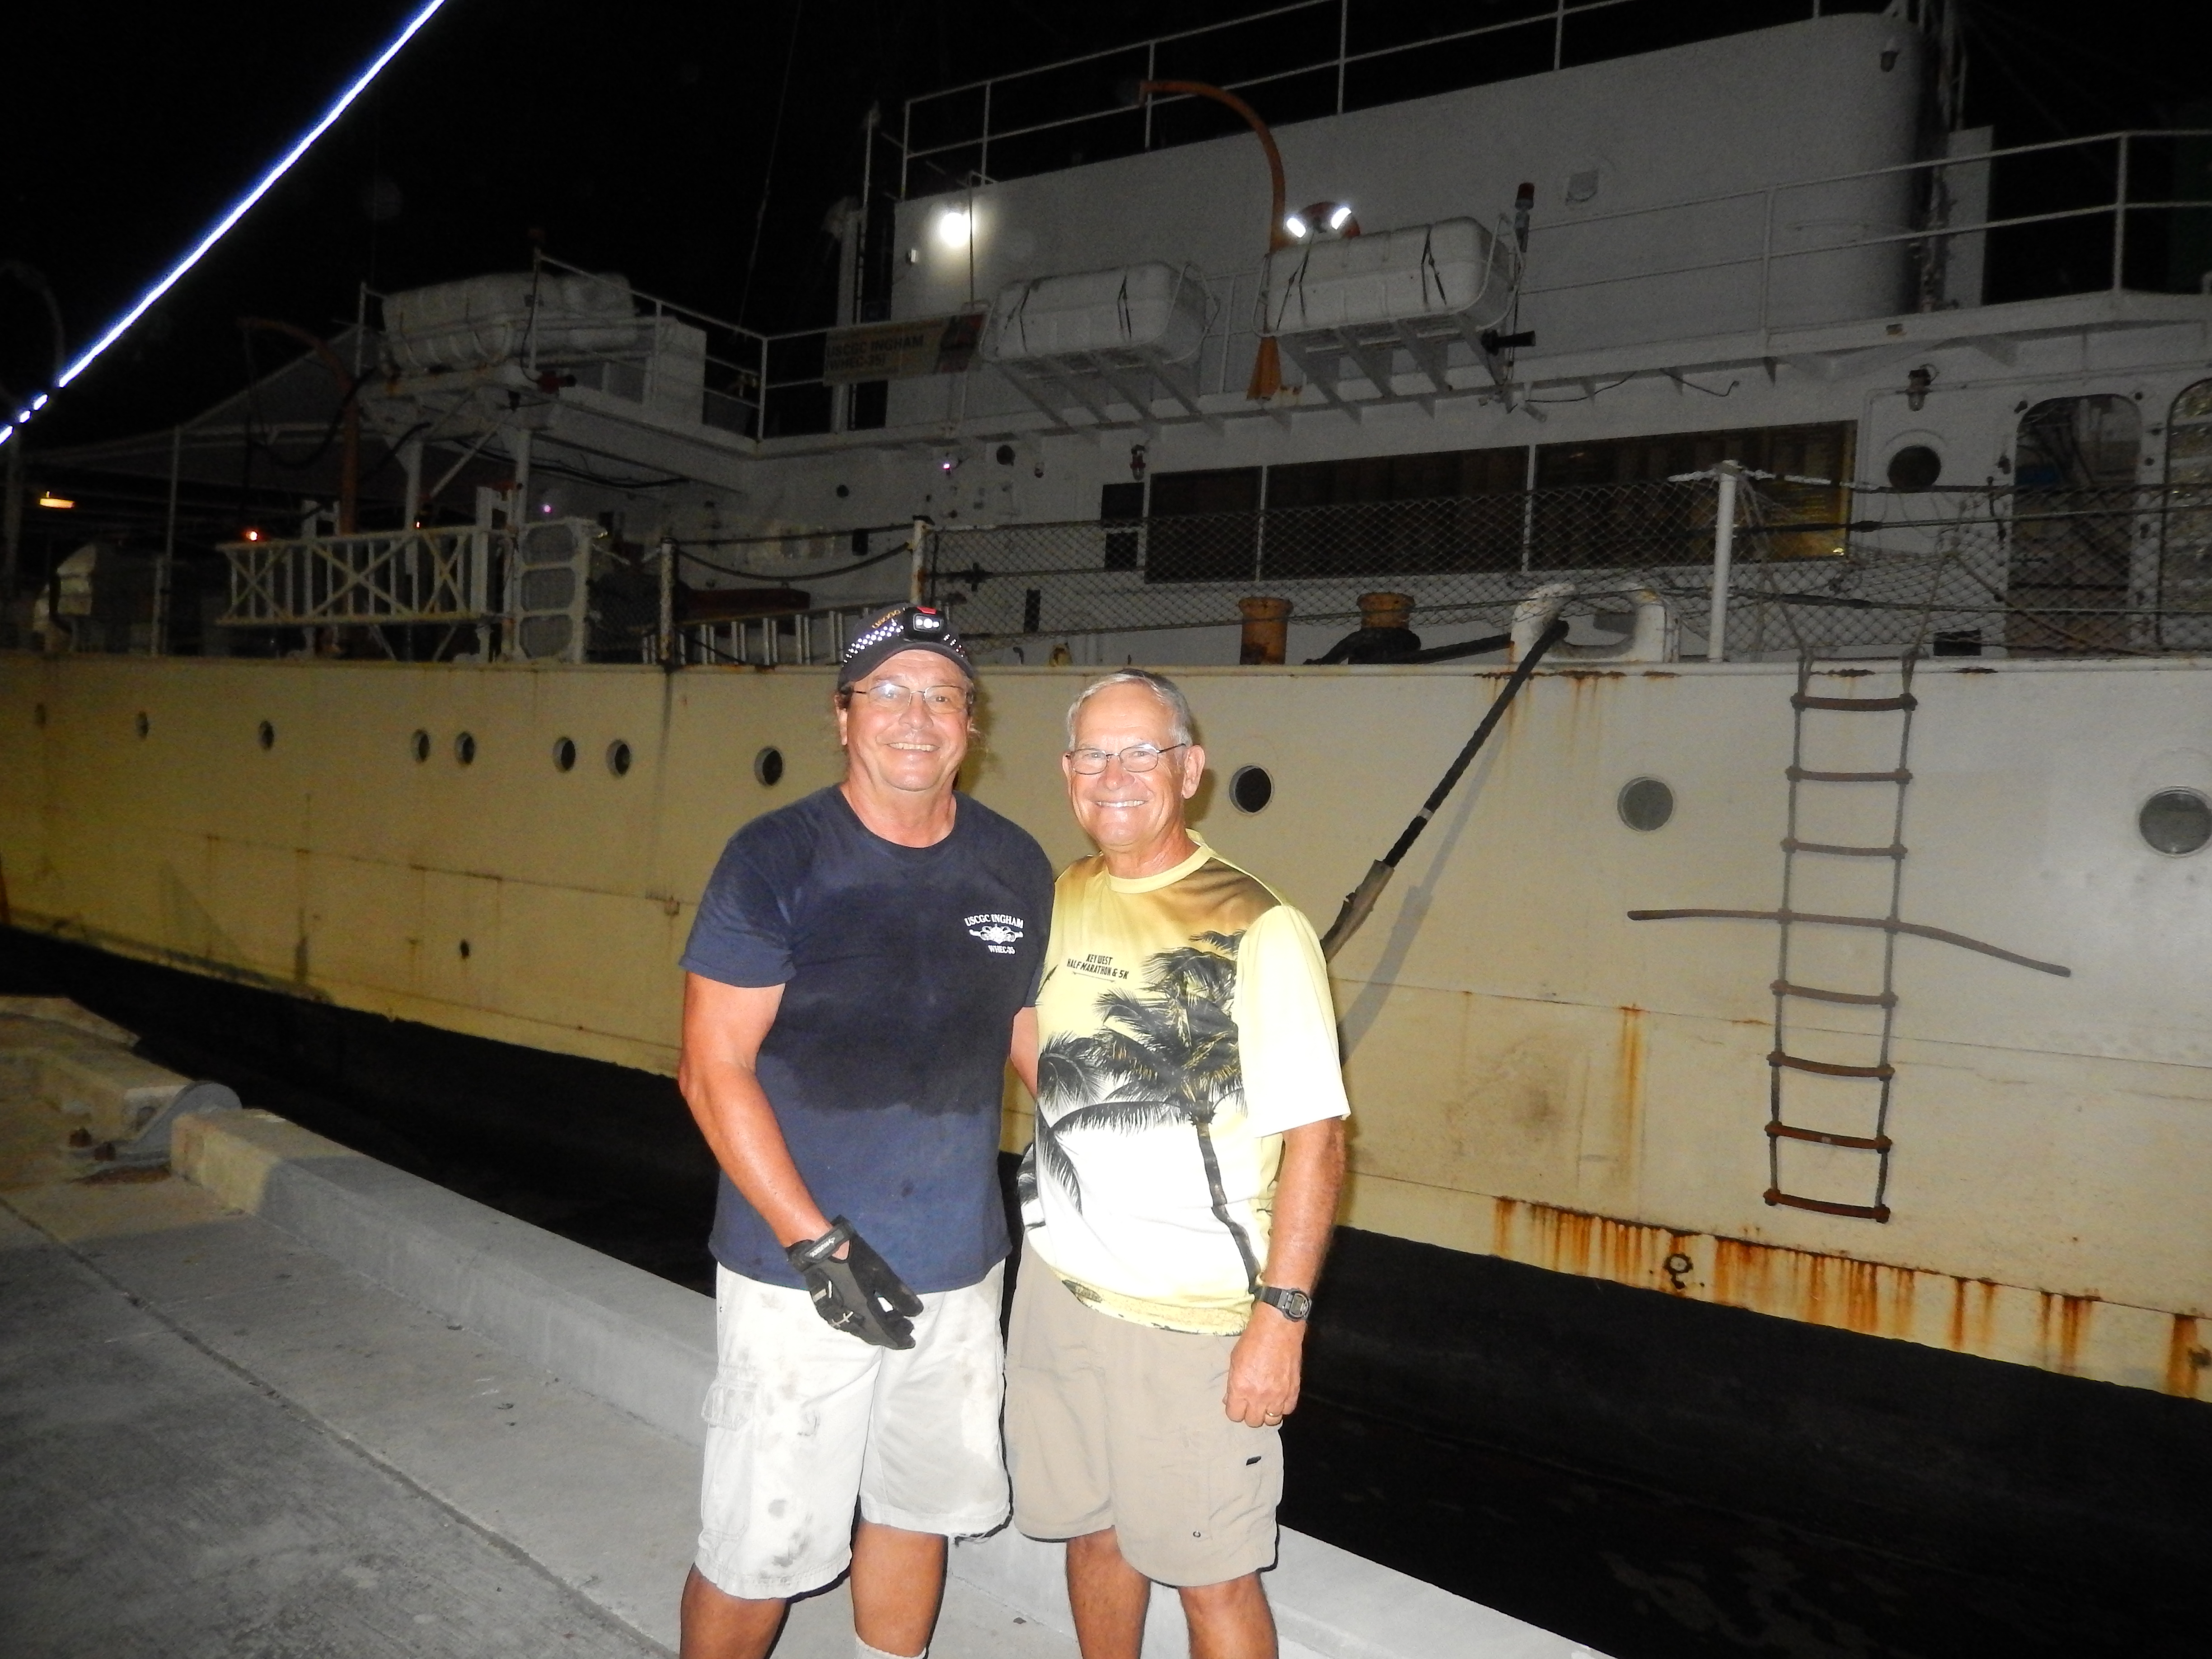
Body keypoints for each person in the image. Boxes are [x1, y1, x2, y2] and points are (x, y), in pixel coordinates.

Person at [675, 605, 1054, 1659]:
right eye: (887, 691)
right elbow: (712, 1069)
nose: (915, 717)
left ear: (971, 723)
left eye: (941, 695)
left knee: (916, 1511)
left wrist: (1115, 1140)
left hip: (958, 1263)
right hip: (798, 1272)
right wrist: (816, 1245)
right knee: (761, 1548)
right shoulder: (776, 857)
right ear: (843, 717)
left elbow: (1027, 1033)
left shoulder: (1015, 863)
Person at [1006, 668, 1350, 1659]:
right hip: (1061, 1292)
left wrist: (1280, 1323)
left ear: (1190, 770)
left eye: (1141, 753)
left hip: (1191, 1324)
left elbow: (1319, 1139)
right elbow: (1034, 1037)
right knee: (1091, 1534)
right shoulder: (1061, 895)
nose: (1114, 776)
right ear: (1068, 772)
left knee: (1215, 1581)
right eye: (1094, 755)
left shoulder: (1258, 925)